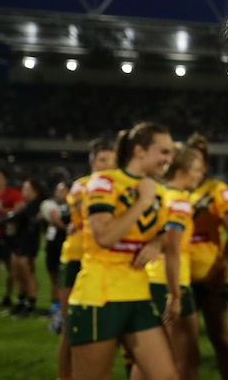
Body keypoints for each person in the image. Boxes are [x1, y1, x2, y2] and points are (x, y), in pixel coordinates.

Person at [66, 122, 177, 380]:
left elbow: (163, 236)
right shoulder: (102, 182)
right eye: (163, 152)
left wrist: (156, 244)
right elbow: (104, 236)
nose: (168, 159)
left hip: (138, 295)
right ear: (139, 150)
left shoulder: (158, 190)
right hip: (99, 297)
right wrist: (142, 201)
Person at [135, 143, 204, 380]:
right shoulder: (181, 203)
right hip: (170, 283)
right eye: (196, 169)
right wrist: (175, 295)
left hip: (158, 281)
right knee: (168, 358)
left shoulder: (162, 196)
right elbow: (173, 250)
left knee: (158, 357)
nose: (200, 174)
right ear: (182, 172)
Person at [57, 137, 116, 379]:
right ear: (92, 162)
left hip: (103, 261)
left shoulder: (116, 187)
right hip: (76, 257)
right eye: (103, 160)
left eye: (112, 161)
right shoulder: (81, 186)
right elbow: (87, 211)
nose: (107, 165)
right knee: (70, 326)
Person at [188, 132, 228, 380]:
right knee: (186, 343)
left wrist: (222, 265)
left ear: (206, 165)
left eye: (198, 161)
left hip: (212, 276)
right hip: (182, 279)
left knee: (218, 336)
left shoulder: (216, 190)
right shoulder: (176, 191)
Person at [0, 177, 45, 318]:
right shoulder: (27, 205)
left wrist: (5, 220)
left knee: (27, 274)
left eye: (28, 189)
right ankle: (21, 302)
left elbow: (20, 219)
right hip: (19, 242)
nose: (24, 191)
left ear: (36, 191)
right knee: (19, 274)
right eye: (23, 188)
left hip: (28, 244)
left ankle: (30, 305)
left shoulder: (36, 206)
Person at [0, 167, 24, 308]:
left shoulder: (13, 194)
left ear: (5, 179)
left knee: (11, 268)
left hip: (7, 237)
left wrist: (2, 210)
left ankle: (8, 296)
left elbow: (19, 213)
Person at [41, 181, 69, 321]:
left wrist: (59, 224)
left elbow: (70, 229)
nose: (59, 193)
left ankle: (62, 307)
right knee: (53, 275)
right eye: (57, 191)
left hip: (64, 246)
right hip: (51, 245)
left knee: (62, 278)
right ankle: (54, 305)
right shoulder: (53, 206)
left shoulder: (72, 209)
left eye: (62, 190)